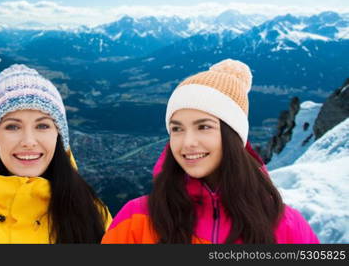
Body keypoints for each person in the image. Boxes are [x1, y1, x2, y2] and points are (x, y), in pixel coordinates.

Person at [102, 59, 319, 244]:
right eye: (177, 128)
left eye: (203, 126)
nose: (187, 142)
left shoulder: (286, 225)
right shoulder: (137, 217)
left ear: (233, 135)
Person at [0, 64, 111, 243]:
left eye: (42, 126)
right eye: (13, 126)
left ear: (58, 135)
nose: (28, 141)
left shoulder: (93, 213)